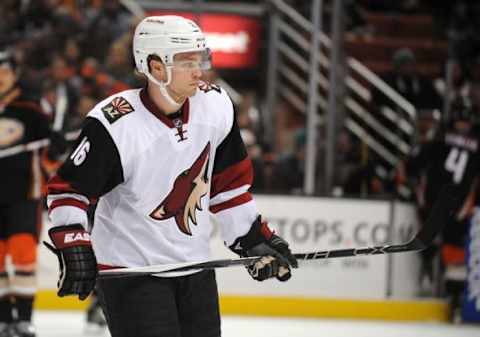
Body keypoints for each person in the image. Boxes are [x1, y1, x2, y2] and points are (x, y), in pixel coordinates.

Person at [44, 15, 297, 337]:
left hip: (195, 268)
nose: (198, 70)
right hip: (133, 270)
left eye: (200, 59)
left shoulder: (216, 106)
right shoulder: (115, 122)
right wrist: (73, 243)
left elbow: (228, 187)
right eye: (185, 61)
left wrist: (252, 239)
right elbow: (69, 191)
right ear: (155, 67)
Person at [0, 47, 64, 337]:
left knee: (23, 253)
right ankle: (4, 319)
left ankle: (23, 319)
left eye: (4, 72)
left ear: (14, 76)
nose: (0, 78)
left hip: (24, 194)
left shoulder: (31, 109)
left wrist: (56, 145)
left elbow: (49, 155)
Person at [399, 97, 480, 320]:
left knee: (445, 250)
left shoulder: (440, 138)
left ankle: (450, 298)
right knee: (445, 249)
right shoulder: (467, 142)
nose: (463, 124)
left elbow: (413, 162)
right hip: (451, 203)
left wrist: (407, 178)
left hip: (446, 203)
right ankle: (447, 295)